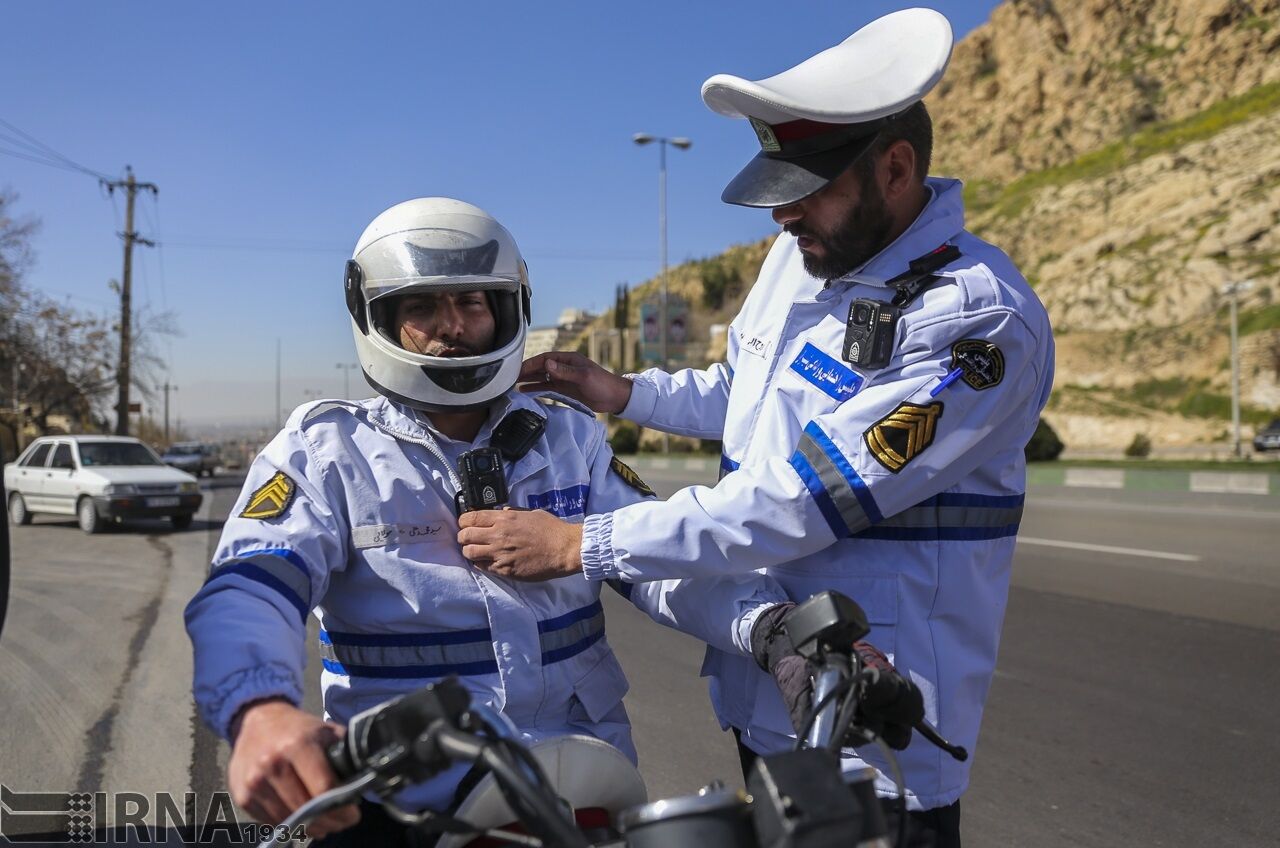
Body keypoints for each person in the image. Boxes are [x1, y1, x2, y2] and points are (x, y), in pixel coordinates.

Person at [457, 9, 1055, 846]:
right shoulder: (807, 257)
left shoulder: (977, 323)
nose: (783, 219)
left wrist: (577, 544)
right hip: (767, 688)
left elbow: (799, 499)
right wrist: (626, 393)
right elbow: (748, 390)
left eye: (807, 193)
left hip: (869, 730)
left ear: (894, 168)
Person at [184, 197, 786, 845]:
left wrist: (769, 627)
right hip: (410, 800)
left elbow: (659, 564)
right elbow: (248, 589)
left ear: (507, 309)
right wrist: (259, 711)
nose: (454, 325)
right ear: (376, 316)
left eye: (473, 302)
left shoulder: (568, 437)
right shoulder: (327, 453)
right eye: (422, 307)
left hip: (580, 783)